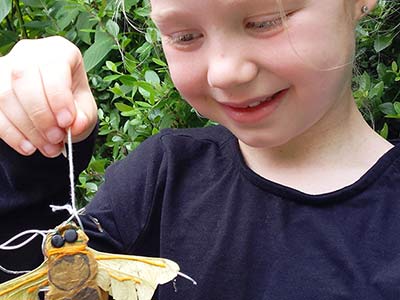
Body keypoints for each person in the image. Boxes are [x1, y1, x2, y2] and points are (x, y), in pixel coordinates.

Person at [1, 0, 399, 298]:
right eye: (185, 37)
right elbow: (24, 276)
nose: (224, 72)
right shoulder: (161, 175)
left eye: (266, 21)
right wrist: (33, 148)